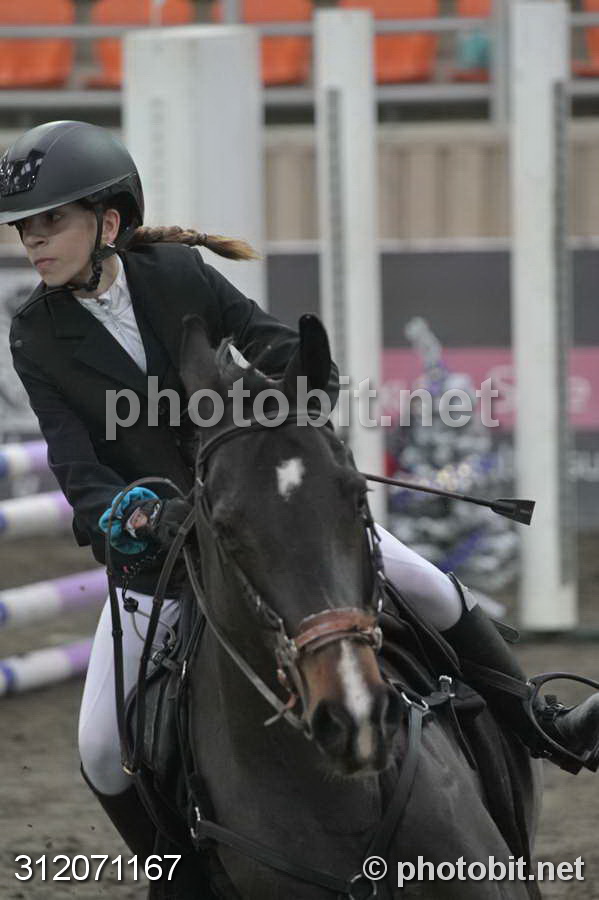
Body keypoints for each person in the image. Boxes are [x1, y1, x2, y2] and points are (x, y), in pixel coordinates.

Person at [3, 120, 598, 862]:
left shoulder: (177, 273)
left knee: (430, 586)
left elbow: (270, 340)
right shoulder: (34, 334)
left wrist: (295, 389)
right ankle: (176, 869)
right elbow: (77, 467)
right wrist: (132, 514)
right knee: (99, 748)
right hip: (161, 554)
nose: (33, 239)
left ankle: (542, 722)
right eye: (25, 227)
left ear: (109, 222)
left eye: (52, 220)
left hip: (268, 514)